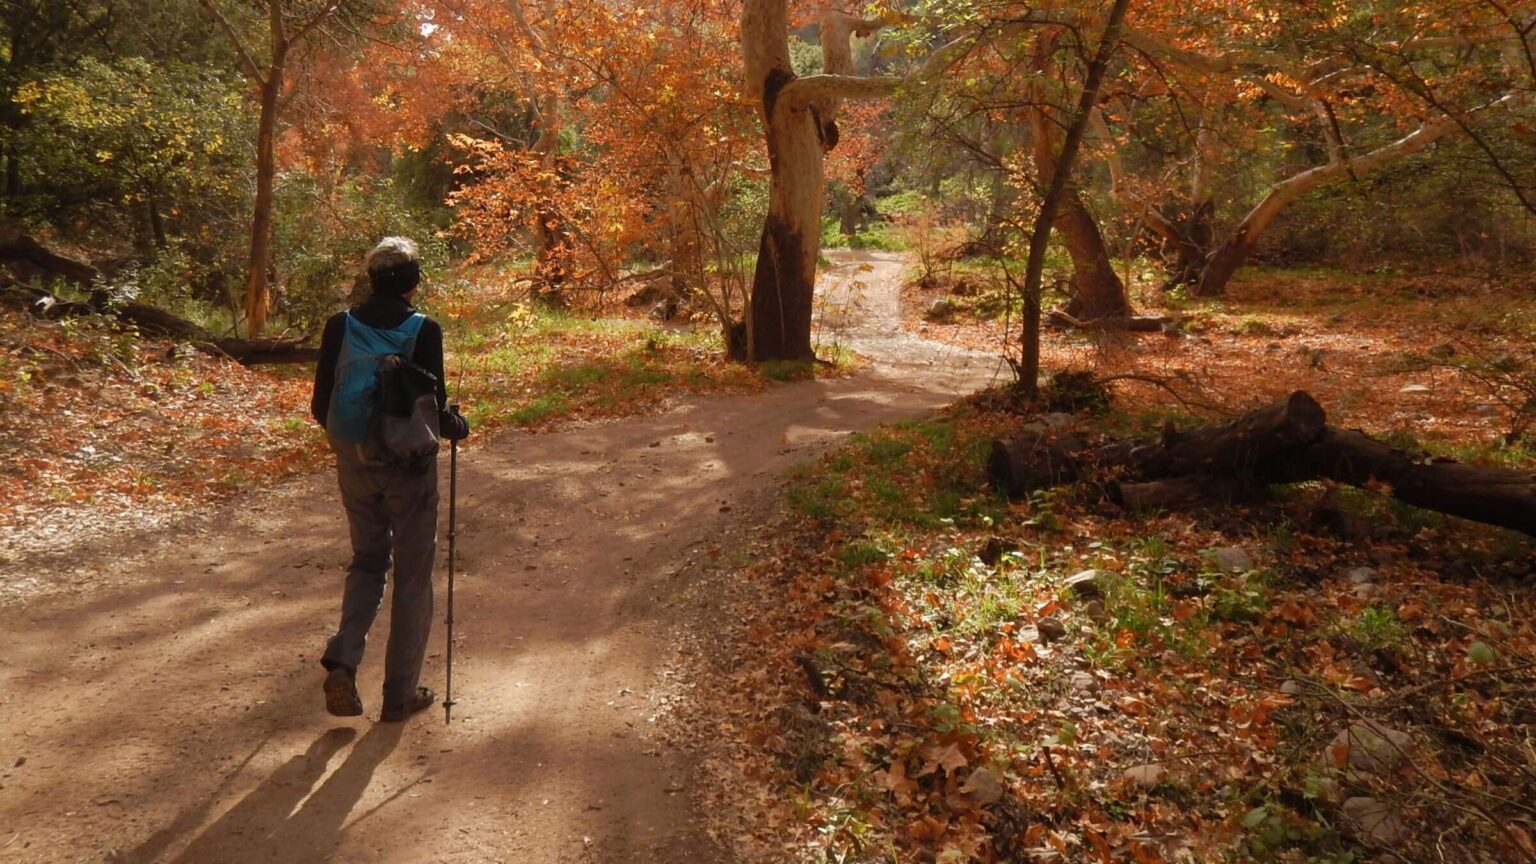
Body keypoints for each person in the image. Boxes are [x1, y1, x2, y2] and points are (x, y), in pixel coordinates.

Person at [310, 236, 470, 722]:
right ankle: (399, 695)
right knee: (413, 574)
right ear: (414, 282)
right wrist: (455, 425)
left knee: (368, 562)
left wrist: (359, 439)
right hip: (409, 469)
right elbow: (431, 409)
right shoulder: (424, 329)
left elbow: (321, 406)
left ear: (372, 278)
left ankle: (343, 660)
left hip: (355, 461)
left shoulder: (341, 326)